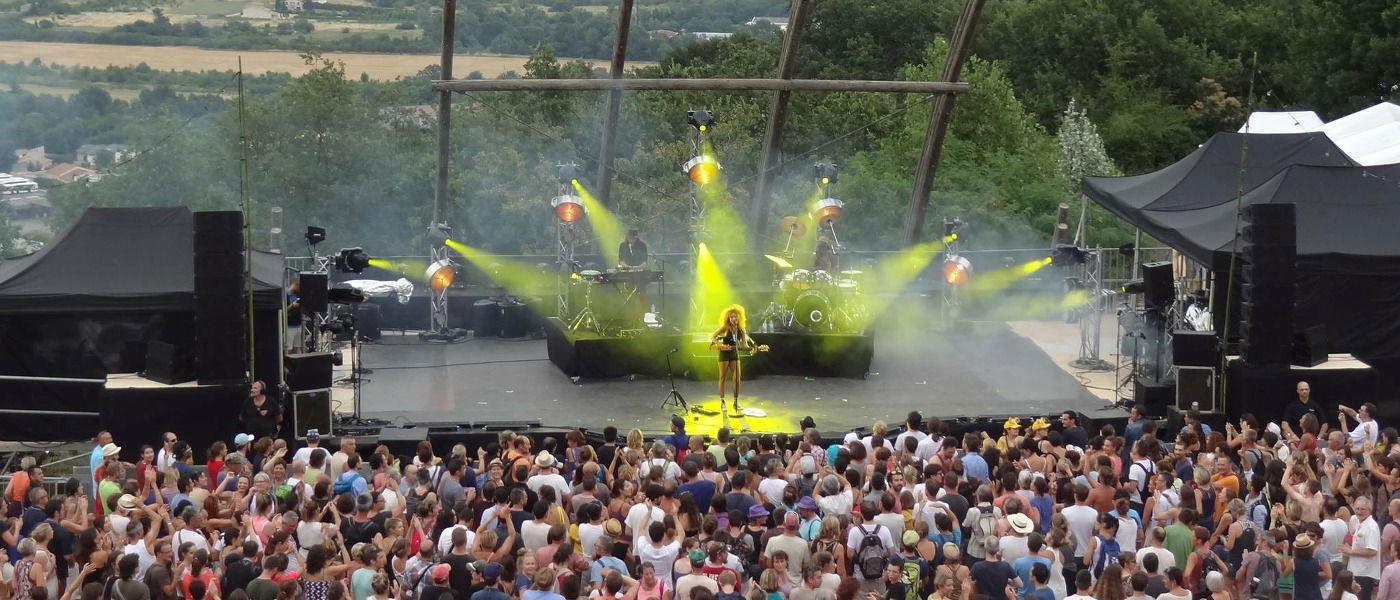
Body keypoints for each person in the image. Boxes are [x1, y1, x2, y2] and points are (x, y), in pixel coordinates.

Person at [708, 305, 766, 415]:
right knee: (722, 378)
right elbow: (712, 336)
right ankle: (722, 401)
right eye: (731, 317)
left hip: (734, 353)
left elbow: (744, 345)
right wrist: (720, 345)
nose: (733, 319)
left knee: (737, 378)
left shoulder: (741, 330)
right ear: (728, 318)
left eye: (735, 317)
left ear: (739, 317)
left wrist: (754, 348)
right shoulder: (724, 328)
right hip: (724, 354)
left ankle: (736, 401)